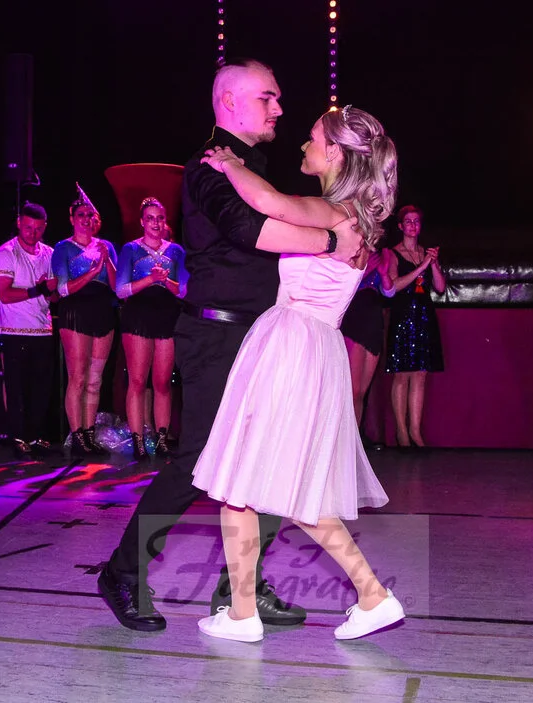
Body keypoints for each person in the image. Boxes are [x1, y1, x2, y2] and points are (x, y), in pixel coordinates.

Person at [95, 58, 363, 632]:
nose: (279, 108)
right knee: (197, 461)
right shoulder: (210, 165)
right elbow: (249, 231)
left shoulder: (252, 166)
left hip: (262, 335)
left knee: (269, 462)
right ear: (230, 102)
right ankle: (122, 572)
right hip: (217, 334)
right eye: (268, 97)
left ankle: (240, 591)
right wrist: (332, 239)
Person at [192, 103, 402, 642]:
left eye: (312, 139)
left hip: (291, 343)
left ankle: (248, 614)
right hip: (313, 346)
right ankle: (363, 597)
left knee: (242, 479)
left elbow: (267, 203)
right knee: (278, 487)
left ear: (336, 153)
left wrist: (228, 163)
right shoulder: (353, 216)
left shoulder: (335, 212)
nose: (303, 146)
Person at [115, 197, 189, 460]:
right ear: (142, 222)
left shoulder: (176, 251)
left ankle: (161, 439)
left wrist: (165, 281)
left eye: (159, 218)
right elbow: (121, 289)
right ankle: (138, 440)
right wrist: (150, 279)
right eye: (150, 218)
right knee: (137, 381)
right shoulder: (130, 249)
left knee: (163, 382)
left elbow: (184, 290)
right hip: (138, 317)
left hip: (167, 317)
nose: (155, 223)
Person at [52, 183, 119, 455]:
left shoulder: (106, 246)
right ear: (72, 219)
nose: (86, 219)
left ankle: (89, 434)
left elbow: (117, 286)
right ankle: (77, 435)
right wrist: (92, 271)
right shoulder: (63, 248)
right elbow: (62, 288)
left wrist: (107, 260)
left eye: (90, 215)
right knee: (78, 377)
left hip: (102, 312)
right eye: (81, 215)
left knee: (95, 379)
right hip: (76, 312)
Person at [0, 202, 56, 458]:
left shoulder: (50, 254)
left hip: (42, 329)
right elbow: (5, 294)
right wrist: (37, 289)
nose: (32, 233)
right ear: (19, 223)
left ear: (45, 227)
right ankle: (17, 436)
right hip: (14, 329)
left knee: (40, 386)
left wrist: (49, 291)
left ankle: (35, 435)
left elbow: (54, 296)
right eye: (28, 228)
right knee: (16, 386)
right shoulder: (6, 252)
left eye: (38, 229)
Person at [385, 206, 446, 448]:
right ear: (400, 226)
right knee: (402, 375)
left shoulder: (426, 252)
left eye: (416, 221)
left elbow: (440, 288)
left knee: (420, 375)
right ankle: (401, 432)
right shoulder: (392, 253)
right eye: (408, 221)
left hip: (423, 315)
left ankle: (415, 432)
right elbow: (394, 286)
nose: (412, 225)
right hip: (403, 315)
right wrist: (421, 268)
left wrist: (433, 264)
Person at [340, 246, 395, 431]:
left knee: (362, 392)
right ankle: (345, 439)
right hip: (355, 316)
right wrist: (365, 269)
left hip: (373, 318)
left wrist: (383, 273)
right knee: (353, 390)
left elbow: (389, 292)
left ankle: (355, 439)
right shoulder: (350, 248)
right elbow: (340, 287)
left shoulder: (382, 254)